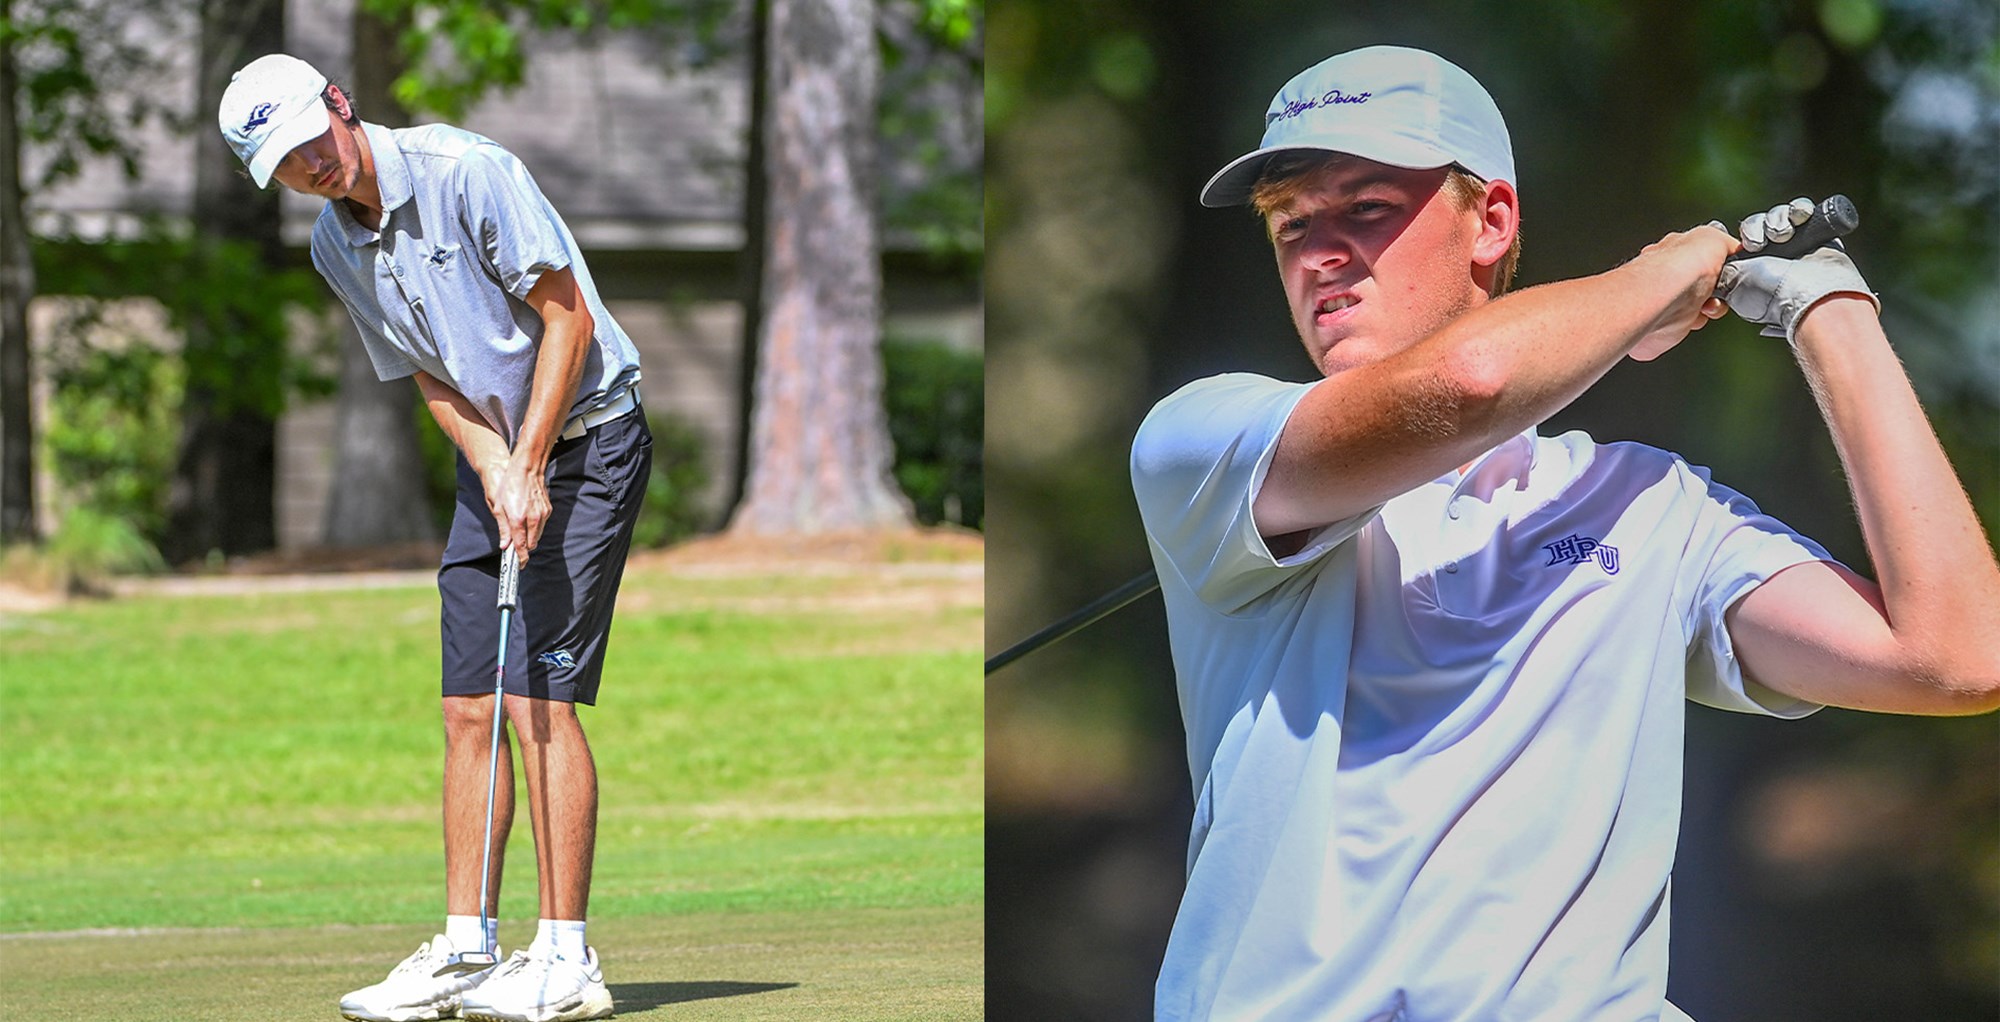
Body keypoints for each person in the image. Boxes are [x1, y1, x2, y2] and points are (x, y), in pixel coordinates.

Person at [1128, 44, 2000, 1022]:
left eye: (1364, 208)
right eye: (1290, 223)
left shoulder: (1651, 504)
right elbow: (1471, 384)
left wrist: (1825, 308)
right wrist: (1660, 275)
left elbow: (1956, 657)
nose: (1317, 251)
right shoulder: (1204, 439)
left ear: (1490, 222)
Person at [219, 53, 652, 1022]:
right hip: (497, 455)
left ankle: (567, 957)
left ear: (339, 103)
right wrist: (496, 464)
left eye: (308, 141)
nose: (308, 167)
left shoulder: (467, 171)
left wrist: (529, 461)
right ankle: (466, 949)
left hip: (589, 441)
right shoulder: (334, 245)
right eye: (283, 164)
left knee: (539, 697)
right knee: (469, 704)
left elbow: (568, 319)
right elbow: (428, 370)